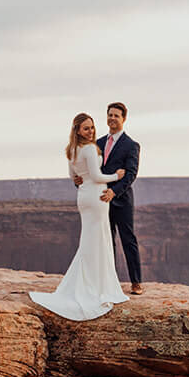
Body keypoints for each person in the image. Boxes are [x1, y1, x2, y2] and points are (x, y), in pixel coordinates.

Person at [28, 113, 129, 320]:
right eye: (86, 128)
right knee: (98, 240)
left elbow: (73, 176)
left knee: (90, 240)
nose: (91, 131)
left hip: (84, 197)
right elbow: (97, 176)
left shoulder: (71, 150)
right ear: (77, 130)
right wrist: (116, 177)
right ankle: (97, 286)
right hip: (97, 196)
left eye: (92, 127)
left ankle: (87, 283)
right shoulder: (90, 149)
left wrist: (82, 178)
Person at [75, 101, 142, 293]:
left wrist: (114, 191)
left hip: (121, 199)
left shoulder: (131, 145)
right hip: (99, 199)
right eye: (110, 115)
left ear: (124, 119)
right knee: (106, 240)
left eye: (116, 116)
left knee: (128, 239)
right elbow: (89, 169)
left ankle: (136, 282)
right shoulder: (99, 143)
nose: (112, 118)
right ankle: (108, 282)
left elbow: (131, 174)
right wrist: (78, 180)